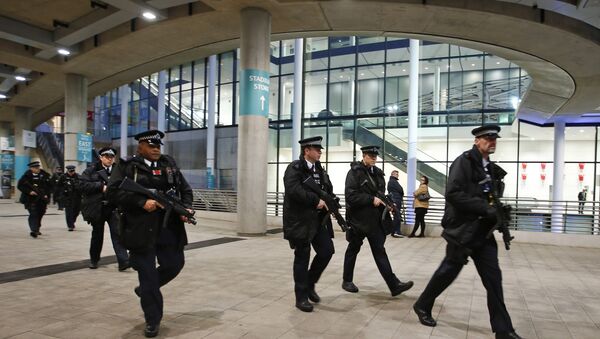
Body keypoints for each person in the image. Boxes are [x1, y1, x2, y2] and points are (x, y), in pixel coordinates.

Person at [413, 124, 522, 339]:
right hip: (463, 232)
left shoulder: (489, 167)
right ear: (477, 140)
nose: (492, 142)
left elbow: (488, 197)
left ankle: (503, 330)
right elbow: (453, 193)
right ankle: (423, 304)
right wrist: (485, 208)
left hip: (483, 233)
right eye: (487, 138)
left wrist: (499, 214)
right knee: (447, 272)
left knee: (493, 279)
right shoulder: (464, 162)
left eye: (494, 139)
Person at [107, 130, 193, 338]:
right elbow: (113, 192)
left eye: (158, 146)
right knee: (147, 275)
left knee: (174, 264)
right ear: (140, 147)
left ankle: (145, 288)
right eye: (151, 146)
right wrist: (140, 202)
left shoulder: (169, 165)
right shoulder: (127, 166)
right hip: (140, 229)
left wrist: (186, 209)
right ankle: (153, 320)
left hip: (168, 227)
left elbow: (185, 189)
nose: (156, 149)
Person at [342, 145, 414, 296]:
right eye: (370, 155)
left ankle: (394, 285)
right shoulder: (354, 173)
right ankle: (347, 280)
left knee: (380, 252)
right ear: (364, 155)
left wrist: (390, 204)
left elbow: (380, 194)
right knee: (353, 249)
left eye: (375, 155)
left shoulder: (378, 174)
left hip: (375, 222)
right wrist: (370, 199)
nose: (373, 157)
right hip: (358, 221)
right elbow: (350, 196)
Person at [283, 136, 335, 313]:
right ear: (307, 150)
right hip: (300, 221)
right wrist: (316, 201)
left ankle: (310, 283)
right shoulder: (295, 168)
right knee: (302, 257)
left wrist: (330, 200)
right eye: (317, 149)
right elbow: (293, 190)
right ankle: (301, 297)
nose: (320, 151)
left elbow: (327, 189)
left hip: (318, 221)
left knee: (327, 251)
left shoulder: (319, 169)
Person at [80, 147, 130, 270]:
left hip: (113, 208)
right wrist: (100, 186)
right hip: (98, 208)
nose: (109, 159)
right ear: (101, 157)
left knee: (118, 234)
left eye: (111, 157)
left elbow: (126, 185)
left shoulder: (119, 170)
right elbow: (82, 185)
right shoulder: (91, 170)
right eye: (106, 157)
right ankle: (94, 260)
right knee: (97, 235)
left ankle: (123, 261)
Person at [17, 161, 51, 238]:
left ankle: (37, 227)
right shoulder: (26, 176)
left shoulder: (45, 175)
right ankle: (34, 230)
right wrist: (29, 191)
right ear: (31, 168)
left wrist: (46, 194)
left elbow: (50, 186)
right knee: (33, 214)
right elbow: (20, 186)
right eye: (35, 168)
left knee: (40, 213)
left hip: (42, 199)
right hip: (30, 199)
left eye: (38, 167)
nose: (37, 169)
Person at [57, 165, 82, 231]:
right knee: (68, 212)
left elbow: (82, 185)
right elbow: (59, 186)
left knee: (76, 211)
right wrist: (62, 193)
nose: (71, 172)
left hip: (77, 197)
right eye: (70, 171)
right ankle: (70, 225)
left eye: (73, 171)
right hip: (67, 197)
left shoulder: (78, 176)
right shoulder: (63, 177)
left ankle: (72, 221)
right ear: (67, 170)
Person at [387, 170, 404, 238]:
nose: (398, 175)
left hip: (394, 200)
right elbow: (400, 190)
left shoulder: (391, 181)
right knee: (397, 216)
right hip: (396, 200)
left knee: (396, 216)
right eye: (396, 174)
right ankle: (395, 231)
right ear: (393, 174)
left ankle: (395, 231)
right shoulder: (393, 181)